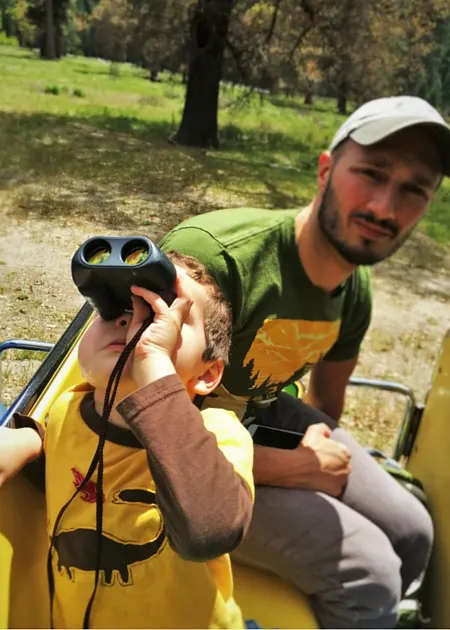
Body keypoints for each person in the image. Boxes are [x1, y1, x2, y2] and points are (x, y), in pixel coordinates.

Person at [158, 95, 450, 628]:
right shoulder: (218, 259)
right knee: (373, 575)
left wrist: (318, 460)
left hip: (257, 417)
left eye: (414, 189)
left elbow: (327, 407)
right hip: (172, 464)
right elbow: (140, 431)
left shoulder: (354, 288)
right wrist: (296, 469)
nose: (386, 208)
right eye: (371, 173)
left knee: (413, 532)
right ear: (325, 170)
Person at [0, 251, 255, 629]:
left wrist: (152, 358)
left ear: (208, 373)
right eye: (111, 309)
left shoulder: (218, 432)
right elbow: (63, 457)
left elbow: (210, 532)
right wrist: (28, 441)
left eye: (161, 314)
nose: (129, 319)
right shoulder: (66, 411)